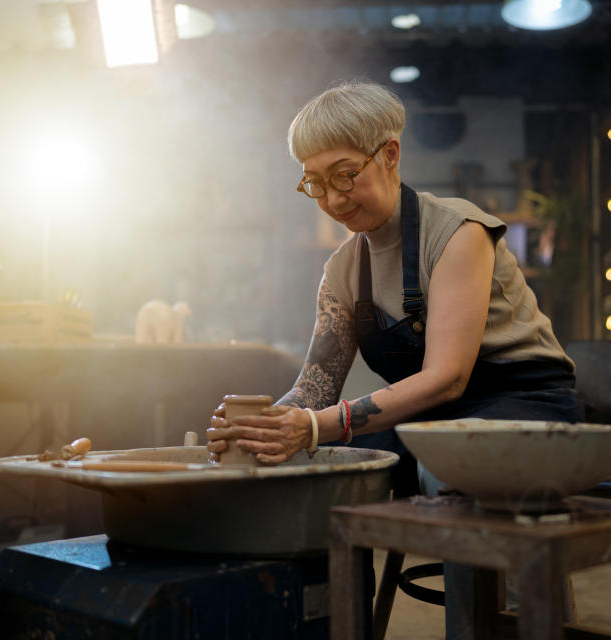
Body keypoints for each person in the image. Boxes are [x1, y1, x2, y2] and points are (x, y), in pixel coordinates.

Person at [206, 80, 583, 636]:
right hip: (433, 422)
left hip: (528, 406)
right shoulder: (342, 270)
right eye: (314, 183)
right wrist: (259, 429)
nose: (333, 199)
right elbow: (314, 390)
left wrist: (314, 427)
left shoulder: (458, 232)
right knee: (327, 470)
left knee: (446, 462)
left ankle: (504, 623)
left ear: (390, 154)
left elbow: (448, 378)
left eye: (343, 175)